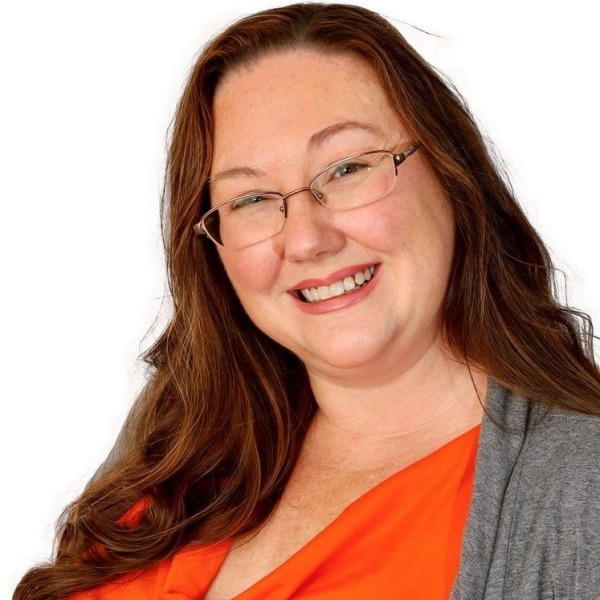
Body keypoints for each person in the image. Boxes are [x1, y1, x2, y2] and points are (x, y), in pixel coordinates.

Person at [14, 3, 600, 599]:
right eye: (251, 199)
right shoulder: (180, 428)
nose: (306, 240)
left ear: (453, 172)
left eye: (347, 169)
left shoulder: (581, 490)